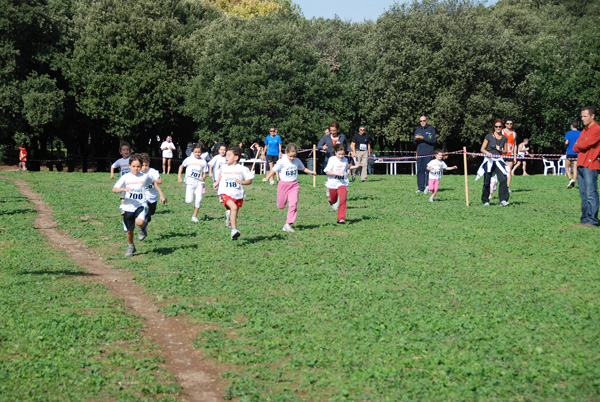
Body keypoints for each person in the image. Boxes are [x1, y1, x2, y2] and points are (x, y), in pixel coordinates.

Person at [262, 143, 317, 232]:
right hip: (283, 185)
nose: (292, 158)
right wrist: (267, 178)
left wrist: (311, 172)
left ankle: (288, 224)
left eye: (294, 156)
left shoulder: (297, 161)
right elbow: (274, 170)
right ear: (286, 153)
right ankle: (281, 205)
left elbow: (303, 168)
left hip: (294, 185)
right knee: (280, 205)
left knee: (293, 204)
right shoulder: (282, 161)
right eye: (290, 156)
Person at [112, 153, 156, 257]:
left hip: (140, 204)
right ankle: (131, 246)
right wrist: (123, 189)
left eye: (138, 166)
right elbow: (114, 189)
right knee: (129, 231)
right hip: (128, 206)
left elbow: (153, 183)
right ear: (129, 166)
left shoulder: (145, 177)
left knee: (139, 222)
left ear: (141, 166)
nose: (136, 169)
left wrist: (160, 194)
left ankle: (142, 228)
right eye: (134, 166)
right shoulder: (125, 177)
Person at [215, 146, 254, 240]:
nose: (226, 157)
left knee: (234, 211)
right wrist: (217, 181)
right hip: (225, 192)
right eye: (226, 155)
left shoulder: (242, 169)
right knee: (234, 207)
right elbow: (221, 174)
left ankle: (230, 221)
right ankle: (234, 229)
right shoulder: (224, 167)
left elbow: (249, 180)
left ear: (236, 157)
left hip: (238, 194)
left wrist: (242, 182)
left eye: (229, 155)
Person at [573, 106, 600, 227]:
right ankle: (584, 219)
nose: (582, 119)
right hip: (581, 164)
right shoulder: (584, 131)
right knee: (583, 194)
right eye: (581, 116)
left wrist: (580, 144)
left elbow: (584, 145)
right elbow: (575, 146)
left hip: (590, 164)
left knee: (591, 193)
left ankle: (592, 220)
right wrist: (580, 144)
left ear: (592, 116)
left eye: (584, 116)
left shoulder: (596, 129)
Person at [479, 119, 510, 206]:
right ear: (494, 127)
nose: (498, 128)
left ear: (502, 127)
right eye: (496, 126)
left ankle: (503, 200)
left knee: (503, 179)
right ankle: (485, 200)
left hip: (499, 161)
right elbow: (482, 149)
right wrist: (488, 153)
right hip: (489, 160)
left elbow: (505, 151)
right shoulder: (488, 136)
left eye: (500, 126)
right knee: (487, 181)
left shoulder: (504, 138)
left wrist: (500, 149)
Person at [178, 143, 208, 223]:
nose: (197, 154)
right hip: (190, 182)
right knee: (189, 200)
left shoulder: (203, 162)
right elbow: (181, 166)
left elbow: (205, 173)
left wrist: (203, 177)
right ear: (193, 152)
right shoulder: (189, 159)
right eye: (196, 152)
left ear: (201, 152)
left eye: (199, 152)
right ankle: (192, 194)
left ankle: (194, 216)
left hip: (199, 183)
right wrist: (179, 177)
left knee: (198, 199)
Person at [140, 153, 167, 240]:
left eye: (146, 165)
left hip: (153, 197)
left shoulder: (153, 172)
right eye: (142, 165)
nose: (144, 168)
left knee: (151, 212)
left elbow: (159, 181)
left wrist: (151, 180)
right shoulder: (137, 173)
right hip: (143, 197)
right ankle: (142, 229)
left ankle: (146, 220)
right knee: (144, 211)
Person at [324, 143, 351, 224]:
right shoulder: (332, 160)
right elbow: (327, 172)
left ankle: (341, 218)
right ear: (335, 152)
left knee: (343, 199)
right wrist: (336, 173)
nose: (341, 156)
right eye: (339, 154)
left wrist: (348, 172)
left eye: (343, 154)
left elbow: (348, 168)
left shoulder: (345, 160)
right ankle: (330, 198)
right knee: (333, 200)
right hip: (332, 183)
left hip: (342, 183)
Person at [413, 115, 436, 193]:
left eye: (424, 120)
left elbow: (432, 140)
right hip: (420, 154)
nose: (422, 122)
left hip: (428, 153)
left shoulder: (431, 130)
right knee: (420, 170)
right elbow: (414, 143)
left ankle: (429, 187)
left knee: (429, 170)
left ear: (426, 121)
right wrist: (416, 139)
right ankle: (420, 187)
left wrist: (423, 138)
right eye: (421, 121)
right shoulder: (417, 130)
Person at [564, 121, 581, 189]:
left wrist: (565, 145)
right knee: (575, 169)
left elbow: (566, 142)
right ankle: (574, 182)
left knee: (567, 167)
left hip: (570, 152)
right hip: (578, 153)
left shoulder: (568, 133)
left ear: (571, 126)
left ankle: (571, 179)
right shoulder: (580, 133)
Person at [502, 119, 517, 192]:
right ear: (505, 124)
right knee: (500, 171)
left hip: (510, 154)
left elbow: (515, 145)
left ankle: (507, 187)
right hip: (502, 154)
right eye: (508, 123)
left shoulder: (514, 133)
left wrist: (515, 156)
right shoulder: (501, 132)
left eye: (511, 123)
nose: (509, 125)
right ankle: (494, 185)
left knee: (509, 171)